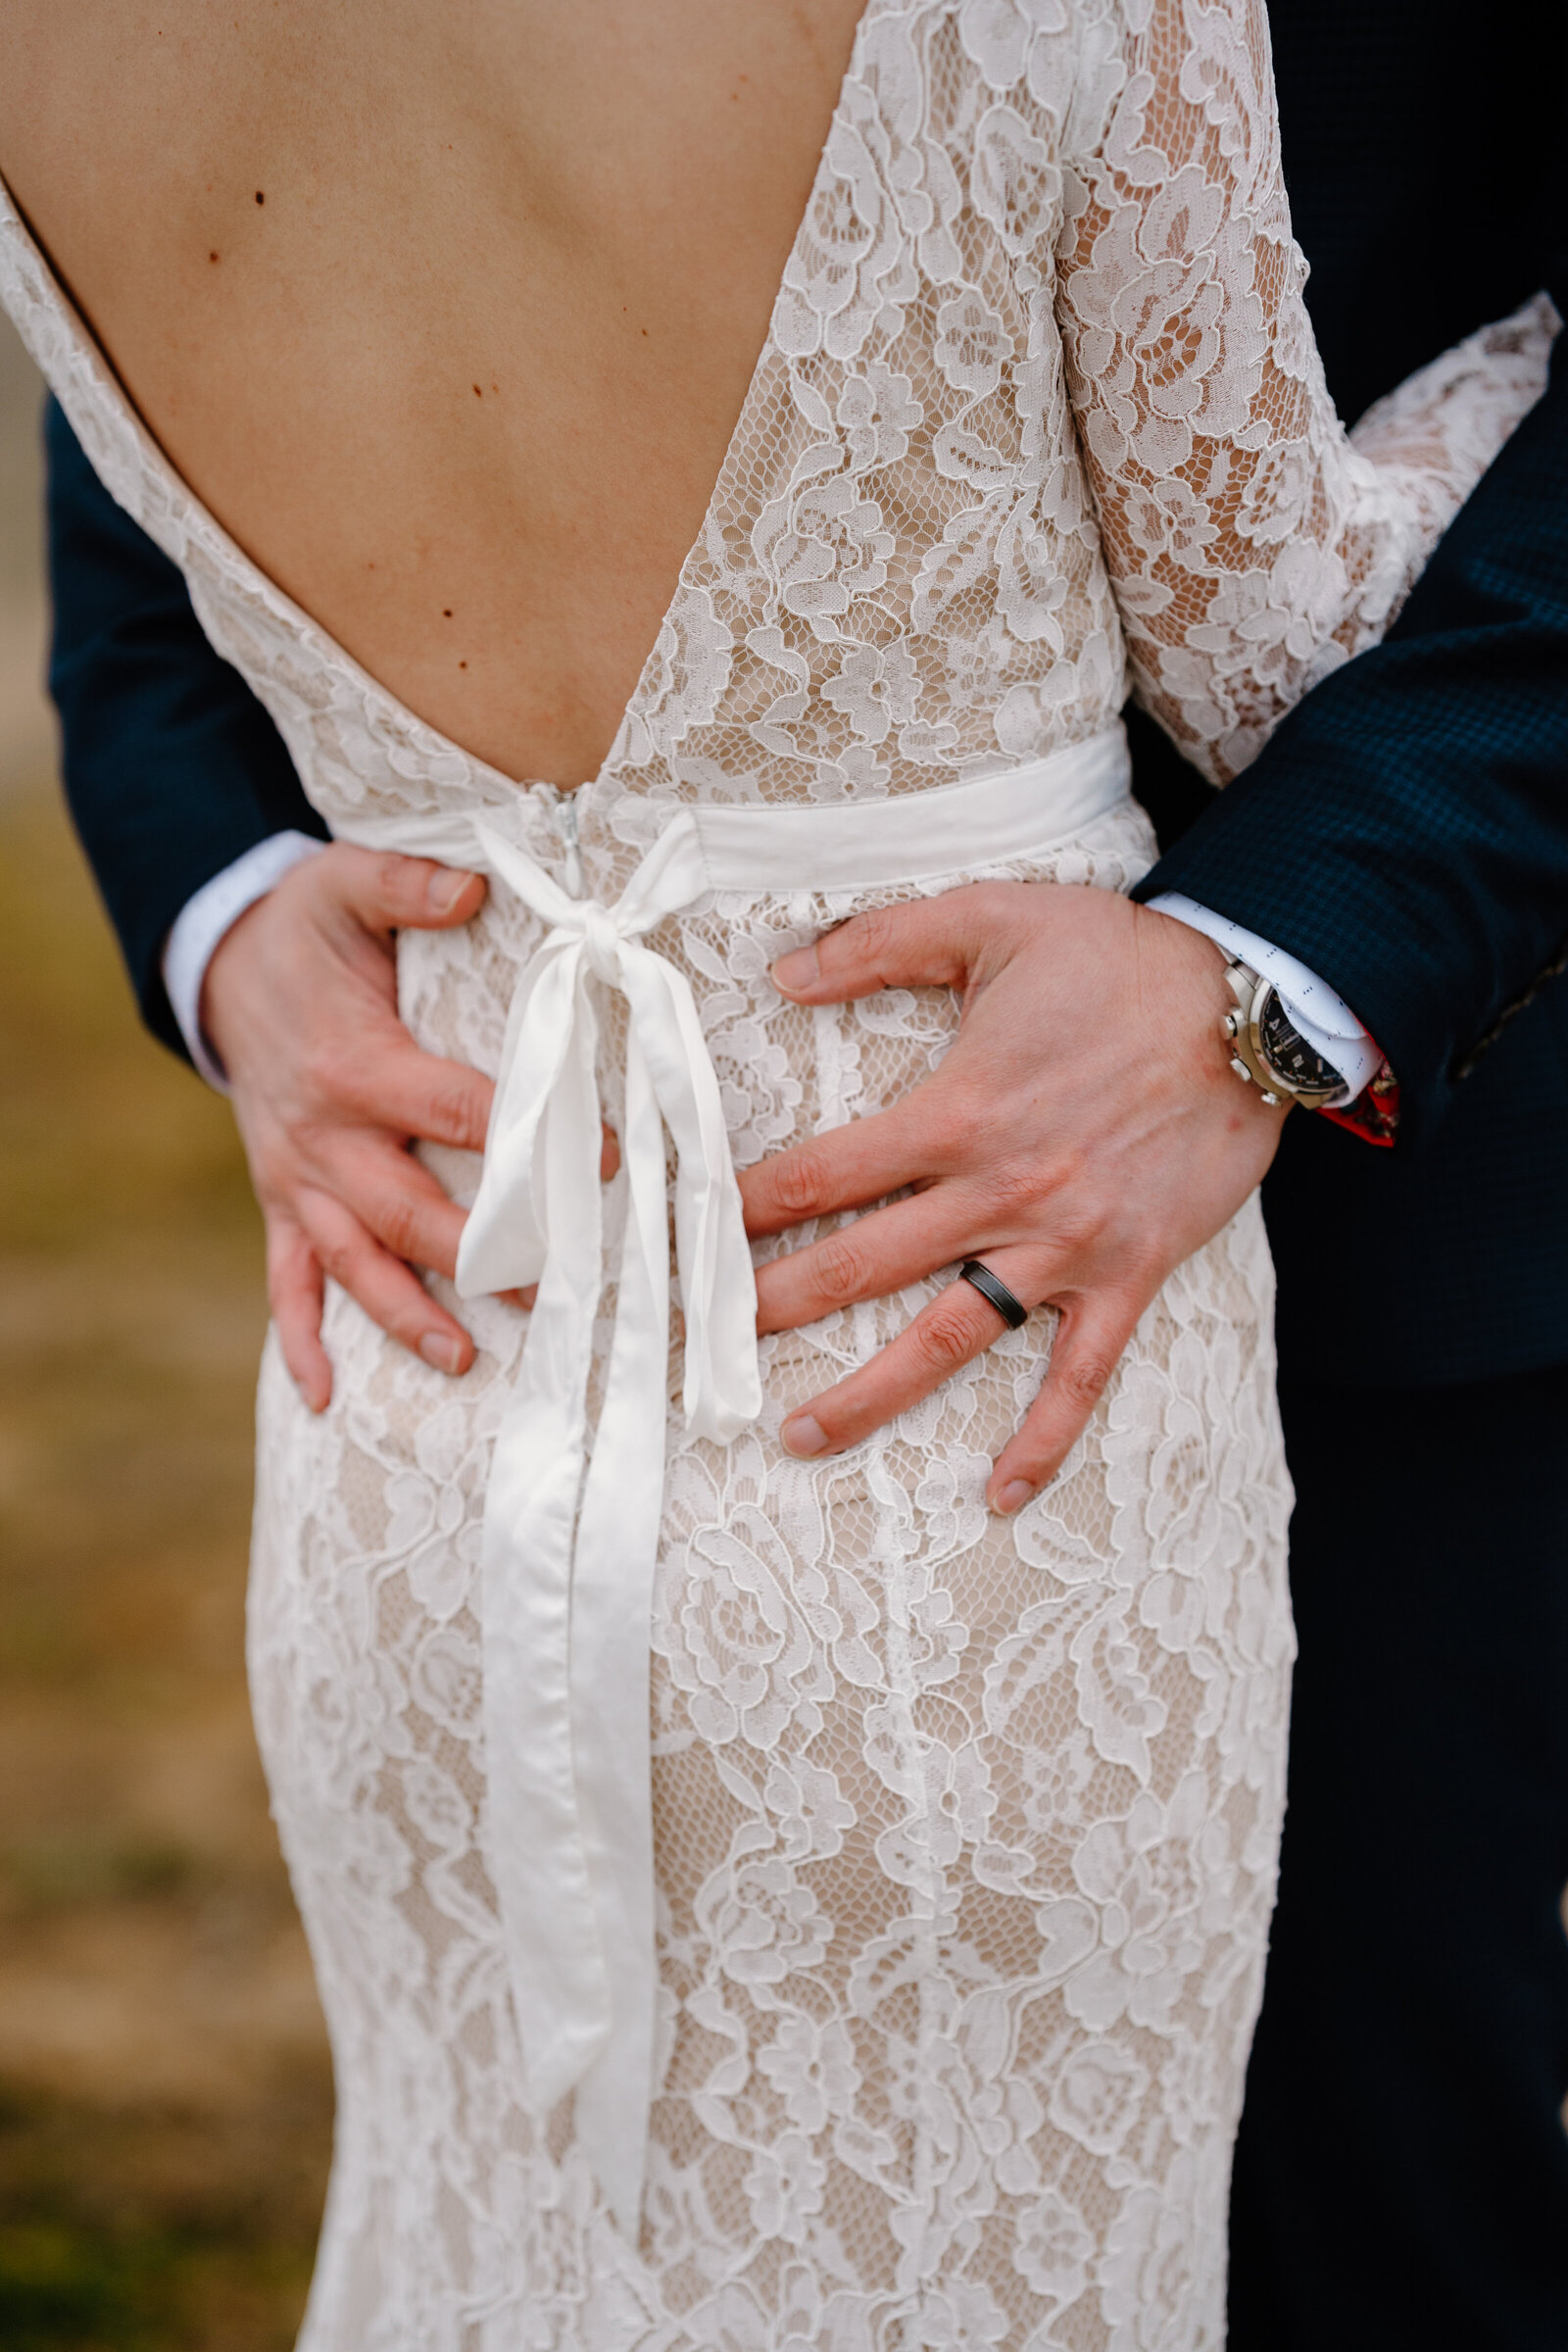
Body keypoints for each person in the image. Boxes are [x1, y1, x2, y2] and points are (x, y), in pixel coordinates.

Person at [4, 1, 1561, 2341]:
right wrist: (229, 924)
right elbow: (1268, 639)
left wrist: (1273, 963)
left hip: (484, 1393)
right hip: (970, 1457)